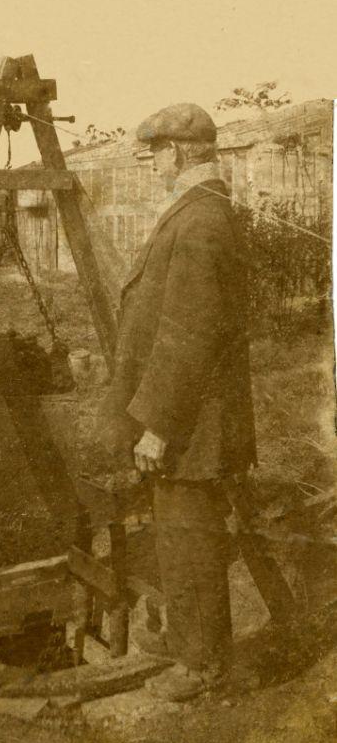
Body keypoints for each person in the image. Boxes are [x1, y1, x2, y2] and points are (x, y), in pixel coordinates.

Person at [99, 103, 256, 701]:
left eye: (158, 151)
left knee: (191, 536)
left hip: (194, 420)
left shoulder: (200, 222)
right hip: (192, 413)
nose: (153, 161)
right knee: (176, 529)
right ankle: (190, 639)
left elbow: (188, 332)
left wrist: (158, 425)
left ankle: (204, 664)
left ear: (182, 153)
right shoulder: (197, 214)